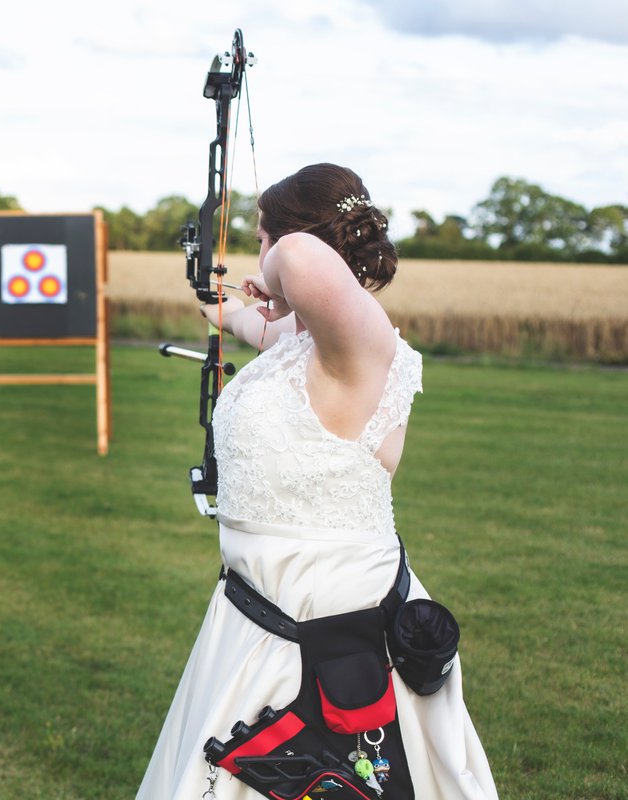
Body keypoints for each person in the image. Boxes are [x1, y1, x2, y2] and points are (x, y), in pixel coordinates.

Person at [138, 164, 498, 799]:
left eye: (260, 238)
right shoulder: (301, 342)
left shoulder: (361, 339)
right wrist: (222, 302)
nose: (262, 254)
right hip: (255, 608)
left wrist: (274, 272)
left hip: (326, 618)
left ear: (289, 239)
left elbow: (299, 257)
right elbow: (249, 323)